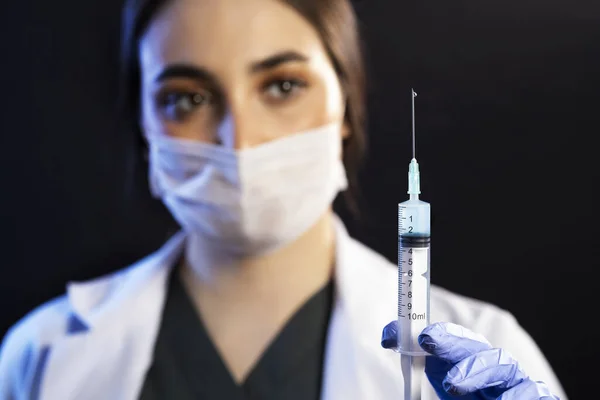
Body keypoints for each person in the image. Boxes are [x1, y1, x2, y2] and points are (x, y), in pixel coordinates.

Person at [0, 0, 567, 399]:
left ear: (344, 103)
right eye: (186, 98)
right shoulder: (38, 356)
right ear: (142, 123)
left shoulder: (487, 356)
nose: (239, 142)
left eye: (282, 86)